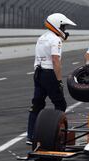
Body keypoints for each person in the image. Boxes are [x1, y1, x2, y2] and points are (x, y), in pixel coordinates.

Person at [26, 13, 76, 145]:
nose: (64, 29)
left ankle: (30, 136)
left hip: (38, 73)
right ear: (57, 25)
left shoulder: (42, 38)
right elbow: (55, 60)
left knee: (37, 105)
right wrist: (59, 81)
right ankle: (54, 134)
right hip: (49, 73)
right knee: (60, 104)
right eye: (63, 26)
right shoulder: (55, 39)